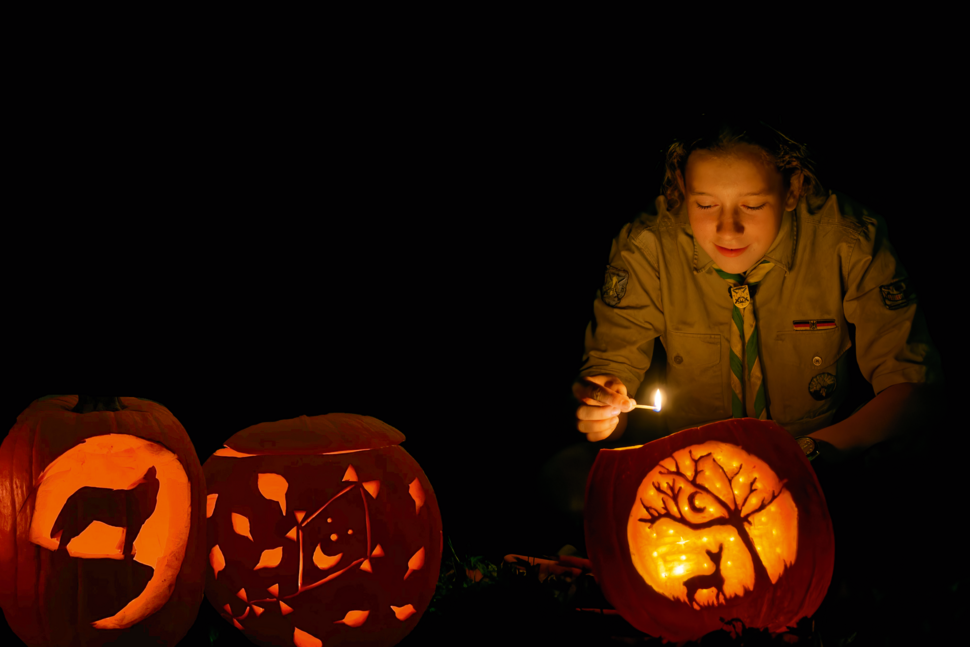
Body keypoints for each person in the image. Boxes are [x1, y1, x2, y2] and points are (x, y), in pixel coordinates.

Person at [572, 110, 943, 464]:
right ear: (683, 188)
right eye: (705, 204)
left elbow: (914, 390)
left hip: (826, 472)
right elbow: (609, 374)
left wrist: (806, 454)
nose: (728, 228)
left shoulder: (849, 242)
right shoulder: (646, 247)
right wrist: (603, 409)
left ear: (793, 188)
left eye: (752, 205)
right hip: (695, 480)